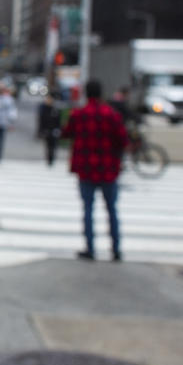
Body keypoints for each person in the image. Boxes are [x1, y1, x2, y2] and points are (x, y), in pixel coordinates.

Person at [61, 79, 130, 262]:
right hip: (108, 169)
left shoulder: (79, 114)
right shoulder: (111, 115)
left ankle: (90, 248)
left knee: (88, 210)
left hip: (86, 169)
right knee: (112, 210)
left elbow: (67, 133)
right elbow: (123, 140)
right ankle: (116, 249)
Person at [36, 94, 62, 166]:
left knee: (53, 146)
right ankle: (49, 159)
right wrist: (40, 131)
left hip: (54, 130)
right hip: (47, 130)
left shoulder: (55, 109)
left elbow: (58, 121)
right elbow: (41, 121)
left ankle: (52, 159)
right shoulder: (44, 109)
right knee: (48, 146)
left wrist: (58, 129)